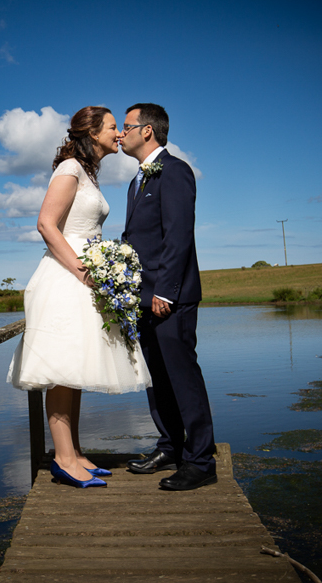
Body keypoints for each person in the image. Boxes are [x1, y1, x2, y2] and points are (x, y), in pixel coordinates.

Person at [8, 106, 151, 489]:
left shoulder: (87, 173)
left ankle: (73, 451)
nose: (119, 134)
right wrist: (82, 270)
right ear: (92, 133)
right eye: (111, 128)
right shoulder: (69, 169)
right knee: (60, 371)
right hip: (64, 277)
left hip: (81, 276)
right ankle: (62, 459)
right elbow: (45, 224)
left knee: (74, 368)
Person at [120, 103, 218, 491]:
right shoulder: (136, 181)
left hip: (169, 298)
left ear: (147, 131)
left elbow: (178, 236)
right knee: (156, 379)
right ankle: (170, 446)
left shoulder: (175, 171)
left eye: (126, 126)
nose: (119, 134)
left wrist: (165, 291)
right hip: (142, 298)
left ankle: (200, 461)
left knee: (181, 377)